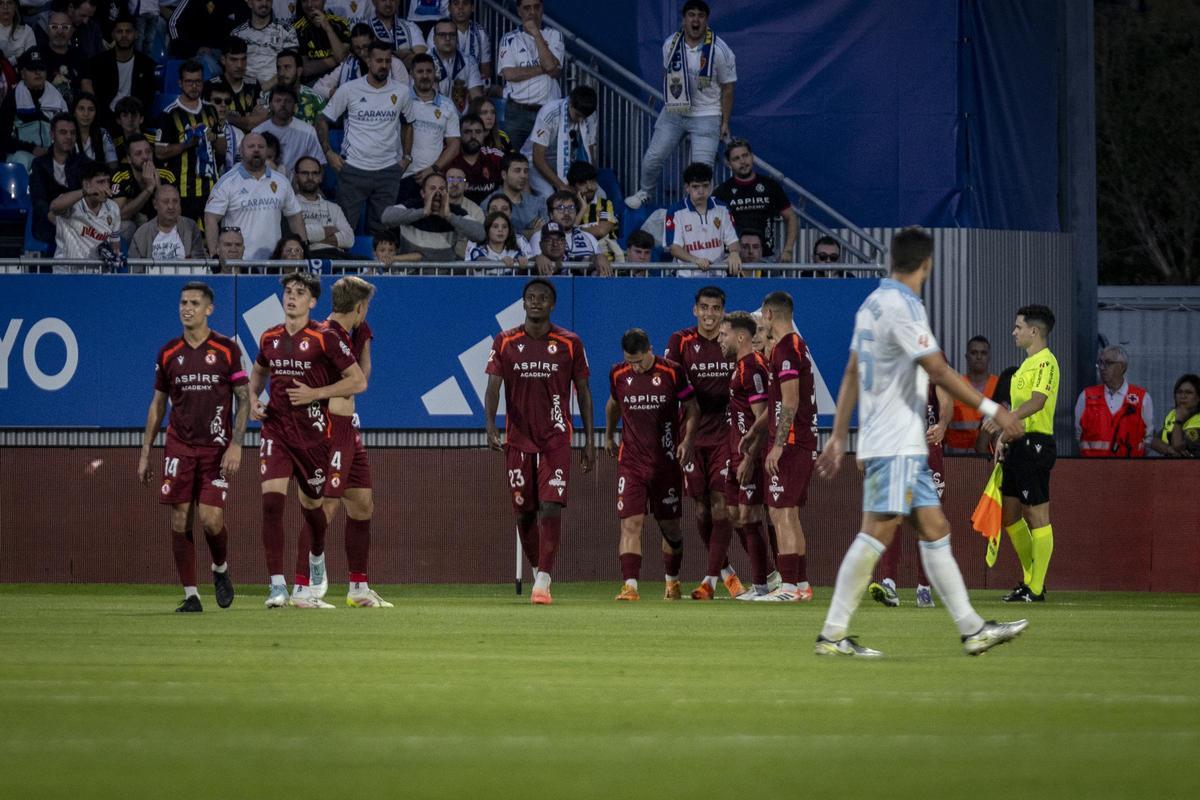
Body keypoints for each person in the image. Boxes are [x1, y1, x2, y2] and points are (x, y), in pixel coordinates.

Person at [815, 228, 1029, 658]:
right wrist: (995, 410)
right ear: (927, 265)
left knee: (935, 529)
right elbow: (939, 371)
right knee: (875, 532)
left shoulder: (872, 303)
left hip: (896, 440)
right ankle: (833, 634)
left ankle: (972, 629)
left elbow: (854, 371)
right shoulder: (904, 306)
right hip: (896, 440)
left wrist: (841, 433)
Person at [248, 270, 367, 608]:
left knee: (314, 507)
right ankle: (276, 586)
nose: (292, 296)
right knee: (272, 502)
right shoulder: (269, 336)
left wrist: (316, 392)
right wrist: (255, 399)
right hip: (276, 429)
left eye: (300, 292)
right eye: (288, 291)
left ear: (312, 302)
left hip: (315, 435)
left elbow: (357, 382)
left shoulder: (325, 336)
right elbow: (258, 372)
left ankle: (317, 554)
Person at [137, 282, 249, 612]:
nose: (187, 308)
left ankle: (220, 569)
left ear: (208, 309)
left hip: (216, 450)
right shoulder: (168, 353)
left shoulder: (227, 350)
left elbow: (243, 400)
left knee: (211, 520)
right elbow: (158, 404)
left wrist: (237, 445)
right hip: (179, 448)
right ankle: (191, 595)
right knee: (179, 518)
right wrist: (145, 452)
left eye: (195, 303)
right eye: (183, 302)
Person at [484, 278, 594, 605]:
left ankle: (544, 579)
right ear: (523, 302)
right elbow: (493, 388)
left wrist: (589, 441)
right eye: (530, 297)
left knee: (550, 505)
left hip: (556, 437)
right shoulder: (505, 341)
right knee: (524, 513)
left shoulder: (569, 342)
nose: (536, 302)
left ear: (552, 304)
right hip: (518, 438)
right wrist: (490, 425)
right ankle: (537, 568)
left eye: (542, 298)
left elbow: (584, 393)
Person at [310, 276, 391, 606]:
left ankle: (358, 587)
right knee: (327, 505)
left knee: (361, 503)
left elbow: (362, 373)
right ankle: (307, 582)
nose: (366, 312)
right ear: (359, 306)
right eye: (366, 306)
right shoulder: (322, 334)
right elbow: (348, 380)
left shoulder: (360, 330)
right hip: (330, 426)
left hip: (350, 425)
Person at [663, 286, 745, 600]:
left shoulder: (734, 340)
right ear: (695, 310)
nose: (709, 315)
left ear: (723, 312)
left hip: (726, 433)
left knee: (721, 502)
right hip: (693, 435)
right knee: (701, 506)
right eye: (704, 308)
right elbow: (669, 386)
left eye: (715, 309)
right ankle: (725, 571)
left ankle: (709, 579)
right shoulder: (680, 341)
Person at [606, 328, 697, 601]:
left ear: (650, 350)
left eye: (639, 361)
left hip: (666, 463)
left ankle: (672, 581)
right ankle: (630, 586)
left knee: (670, 528)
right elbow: (613, 405)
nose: (635, 366)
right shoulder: (619, 374)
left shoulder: (672, 372)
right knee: (630, 523)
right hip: (631, 463)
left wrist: (687, 441)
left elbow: (692, 407)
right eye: (630, 361)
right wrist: (610, 435)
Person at [739, 291, 817, 602]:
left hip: (792, 443)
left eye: (762, 318)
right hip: (802, 441)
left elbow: (791, 400)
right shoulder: (796, 345)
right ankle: (799, 585)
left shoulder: (786, 349)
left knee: (780, 512)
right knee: (789, 514)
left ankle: (787, 587)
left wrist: (778, 445)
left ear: (769, 315)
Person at [625, 0, 735, 210]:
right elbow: (666, 75)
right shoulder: (670, 44)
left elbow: (728, 88)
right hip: (675, 111)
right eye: (691, 15)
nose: (695, 20)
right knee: (653, 157)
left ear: (706, 20)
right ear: (684, 19)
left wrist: (725, 122)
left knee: (702, 170)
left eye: (700, 15)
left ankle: (695, 210)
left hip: (707, 114)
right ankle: (644, 192)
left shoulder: (720, 50)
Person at [990, 304, 1060, 604]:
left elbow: (1038, 402)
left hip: (1036, 443)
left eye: (1018, 327)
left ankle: (1034, 587)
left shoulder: (1046, 363)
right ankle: (1033, 579)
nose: (1014, 332)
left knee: (1037, 515)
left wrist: (1007, 419)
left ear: (1034, 330)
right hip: (1018, 443)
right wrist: (1006, 436)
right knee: (1010, 515)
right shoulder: (1023, 367)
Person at [867, 382, 951, 609]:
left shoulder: (932, 359)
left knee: (927, 519)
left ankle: (924, 589)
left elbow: (946, 401)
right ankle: (889, 585)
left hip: (926, 448)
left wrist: (942, 424)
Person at [319, 38, 413, 236]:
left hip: (388, 171)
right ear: (369, 61)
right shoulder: (349, 89)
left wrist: (407, 157)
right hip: (353, 169)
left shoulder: (402, 91)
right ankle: (342, 267)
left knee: (383, 232)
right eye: (379, 61)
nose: (384, 66)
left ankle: (376, 268)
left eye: (388, 61)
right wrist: (328, 152)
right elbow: (322, 120)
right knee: (344, 230)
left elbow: (408, 124)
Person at [719, 311, 773, 598]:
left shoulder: (752, 368)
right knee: (734, 513)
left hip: (750, 455)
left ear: (741, 337)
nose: (720, 339)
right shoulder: (739, 368)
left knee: (751, 515)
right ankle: (767, 577)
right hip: (735, 452)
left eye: (724, 334)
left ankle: (763, 585)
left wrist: (751, 458)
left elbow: (762, 418)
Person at [204, 131, 305, 260]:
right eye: (251, 146)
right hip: (239, 263)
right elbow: (211, 218)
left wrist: (304, 251)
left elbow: (295, 215)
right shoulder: (227, 182)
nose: (256, 150)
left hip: (274, 263)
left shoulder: (281, 181)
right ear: (241, 151)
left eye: (261, 147)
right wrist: (214, 255)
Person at [152, 60, 224, 225]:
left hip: (212, 189)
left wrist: (212, 138)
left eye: (198, 81)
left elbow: (222, 149)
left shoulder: (211, 110)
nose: (194, 86)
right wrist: (187, 144)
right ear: (180, 83)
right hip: (184, 190)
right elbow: (160, 152)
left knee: (213, 238)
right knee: (186, 239)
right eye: (189, 82)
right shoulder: (169, 114)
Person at [713, 138, 796, 259]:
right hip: (733, 260)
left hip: (766, 258)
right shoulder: (721, 191)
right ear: (729, 163)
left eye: (745, 155)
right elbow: (709, 223)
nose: (742, 161)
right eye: (736, 158)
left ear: (752, 157)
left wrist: (788, 250)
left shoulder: (770, 185)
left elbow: (791, 216)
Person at [496, 0, 562, 152]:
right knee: (510, 157)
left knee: (549, 159)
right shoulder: (509, 38)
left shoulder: (554, 35)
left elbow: (552, 67)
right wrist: (544, 67)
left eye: (536, 7)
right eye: (527, 8)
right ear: (519, 11)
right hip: (518, 111)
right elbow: (510, 74)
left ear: (542, 8)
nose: (532, 12)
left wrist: (536, 34)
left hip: (548, 110)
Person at [380, 170, 484, 262]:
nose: (437, 193)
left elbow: (480, 235)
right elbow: (386, 218)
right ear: (423, 193)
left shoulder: (454, 211)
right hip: (411, 276)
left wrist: (449, 217)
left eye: (442, 189)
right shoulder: (412, 206)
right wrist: (423, 212)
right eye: (432, 188)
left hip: (444, 277)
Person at [1074, 345, 1155, 458]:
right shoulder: (1086, 396)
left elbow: (1148, 439)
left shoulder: (1142, 398)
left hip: (1129, 469)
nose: (1102, 368)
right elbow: (1079, 435)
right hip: (1093, 469)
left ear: (1122, 367)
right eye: (1100, 363)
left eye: (1108, 363)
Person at [399, 52, 459, 197]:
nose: (425, 76)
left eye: (429, 71)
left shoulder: (447, 105)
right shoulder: (401, 100)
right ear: (411, 74)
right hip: (401, 176)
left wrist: (434, 168)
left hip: (432, 179)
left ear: (434, 73)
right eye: (420, 71)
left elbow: (454, 144)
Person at [667, 161, 741, 277]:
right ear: (687, 187)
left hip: (718, 277)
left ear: (711, 185)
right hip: (686, 278)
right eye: (696, 186)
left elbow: (733, 240)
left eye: (705, 186)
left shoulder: (722, 209)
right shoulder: (676, 212)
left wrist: (735, 253)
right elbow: (674, 248)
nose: (701, 191)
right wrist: (696, 260)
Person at [521, 84, 596, 197]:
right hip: (534, 163)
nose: (580, 120)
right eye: (578, 115)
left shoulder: (590, 117)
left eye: (583, 117)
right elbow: (538, 158)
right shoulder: (549, 112)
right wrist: (561, 186)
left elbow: (589, 153)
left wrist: (589, 181)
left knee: (599, 194)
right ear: (570, 103)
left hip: (569, 164)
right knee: (550, 195)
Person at [79, 14, 155, 123]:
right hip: (106, 117)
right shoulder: (98, 62)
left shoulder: (147, 64)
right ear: (113, 35)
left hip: (135, 117)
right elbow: (88, 87)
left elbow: (148, 98)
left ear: (136, 35)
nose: (124, 35)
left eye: (128, 31)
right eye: (119, 32)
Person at [0, 49, 66, 171]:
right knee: (21, 160)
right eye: (32, 69)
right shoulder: (12, 98)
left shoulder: (58, 99)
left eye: (41, 68)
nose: (37, 72)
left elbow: (67, 132)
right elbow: (3, 138)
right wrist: (32, 149)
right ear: (23, 73)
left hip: (52, 153)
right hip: (22, 153)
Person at [28, 111, 85, 248]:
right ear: (52, 135)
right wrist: (50, 215)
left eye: (72, 133)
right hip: (49, 221)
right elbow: (38, 198)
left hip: (78, 221)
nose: (69, 137)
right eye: (63, 132)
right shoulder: (39, 164)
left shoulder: (85, 164)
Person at [48, 158, 120, 266]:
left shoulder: (113, 208)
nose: (106, 187)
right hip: (67, 273)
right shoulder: (72, 203)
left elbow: (115, 244)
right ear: (86, 184)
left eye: (107, 181)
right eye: (100, 182)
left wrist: (115, 254)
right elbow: (54, 207)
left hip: (98, 273)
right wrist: (84, 192)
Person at [311, 22, 409, 101]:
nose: (362, 53)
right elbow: (317, 87)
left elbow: (404, 94)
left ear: (374, 40)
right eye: (357, 48)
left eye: (365, 46)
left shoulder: (394, 63)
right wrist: (335, 93)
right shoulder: (348, 64)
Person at [251, 84, 324, 177]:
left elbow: (319, 165)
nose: (282, 104)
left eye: (288, 101)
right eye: (278, 101)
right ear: (270, 105)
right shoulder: (257, 133)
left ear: (294, 106)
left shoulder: (309, 132)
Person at [129, 183, 207, 265]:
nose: (171, 206)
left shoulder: (190, 227)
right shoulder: (142, 233)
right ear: (155, 204)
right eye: (165, 202)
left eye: (175, 201)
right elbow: (135, 270)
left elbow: (199, 263)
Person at [113, 134, 177, 234]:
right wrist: (149, 189)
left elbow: (172, 214)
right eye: (138, 153)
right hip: (133, 229)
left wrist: (158, 186)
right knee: (126, 226)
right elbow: (119, 215)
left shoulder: (166, 175)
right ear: (129, 159)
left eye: (148, 152)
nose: (145, 157)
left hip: (158, 227)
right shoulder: (121, 177)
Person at [946, 335, 999, 453]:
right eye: (974, 353)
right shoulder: (955, 386)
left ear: (989, 357)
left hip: (987, 460)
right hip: (955, 458)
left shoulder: (999, 385)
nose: (979, 357)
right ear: (966, 356)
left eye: (983, 353)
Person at [293, 155, 352, 257]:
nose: (310, 178)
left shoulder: (334, 208)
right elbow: (296, 236)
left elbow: (349, 239)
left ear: (320, 177)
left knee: (367, 265)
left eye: (315, 173)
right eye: (305, 173)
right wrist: (328, 230)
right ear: (296, 177)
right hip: (307, 258)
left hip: (336, 258)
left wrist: (312, 240)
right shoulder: (290, 206)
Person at [232, 0, 300, 86]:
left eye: (268, 0)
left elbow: (290, 67)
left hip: (279, 89)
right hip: (246, 90)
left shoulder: (287, 30)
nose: (264, 3)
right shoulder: (237, 34)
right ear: (250, 3)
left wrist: (265, 87)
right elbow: (233, 68)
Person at [427, 16, 481, 113]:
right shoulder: (424, 61)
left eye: (452, 34)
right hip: (433, 119)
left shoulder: (469, 62)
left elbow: (477, 97)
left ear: (457, 38)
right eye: (442, 35)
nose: (448, 38)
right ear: (434, 39)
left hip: (461, 122)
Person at [481, 151, 541, 238]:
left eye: (526, 171)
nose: (523, 175)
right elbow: (491, 234)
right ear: (504, 175)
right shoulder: (489, 204)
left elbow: (544, 231)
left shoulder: (537, 202)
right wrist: (529, 232)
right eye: (517, 171)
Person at [430, 0, 490, 86]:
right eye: (456, 3)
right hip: (440, 83)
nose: (460, 7)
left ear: (472, 8)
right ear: (449, 8)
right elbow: (431, 59)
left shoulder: (481, 33)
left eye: (465, 3)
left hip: (472, 84)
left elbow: (485, 68)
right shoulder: (437, 31)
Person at [210, 37, 264, 131]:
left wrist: (228, 117)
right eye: (234, 60)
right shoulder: (210, 87)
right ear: (223, 60)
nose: (240, 65)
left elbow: (256, 121)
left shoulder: (254, 84)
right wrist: (249, 118)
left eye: (243, 59)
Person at [447, 112, 501, 204]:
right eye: (467, 132)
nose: (473, 136)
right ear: (459, 134)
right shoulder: (449, 160)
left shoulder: (494, 159)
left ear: (484, 134)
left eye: (478, 132)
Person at [263, 48, 327, 124]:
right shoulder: (267, 97)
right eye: (279, 68)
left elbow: (322, 130)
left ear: (299, 71)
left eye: (287, 67)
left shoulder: (315, 99)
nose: (282, 73)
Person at [293, 0, 350, 82]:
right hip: (311, 84)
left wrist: (327, 28)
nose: (309, 5)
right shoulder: (295, 28)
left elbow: (341, 56)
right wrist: (336, 60)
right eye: (305, 1)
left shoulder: (340, 23)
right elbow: (305, 69)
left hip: (340, 81)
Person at [38, 10, 86, 106]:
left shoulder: (80, 55)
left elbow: (87, 86)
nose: (60, 31)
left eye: (65, 27)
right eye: (54, 27)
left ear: (72, 30)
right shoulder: (37, 55)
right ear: (47, 30)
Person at [1150, 374, 1200, 457]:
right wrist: (1168, 449)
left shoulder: (1196, 419)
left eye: (1188, 393)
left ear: (1198, 398)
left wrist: (1178, 421)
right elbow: (1152, 440)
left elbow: (1177, 447)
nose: (1183, 396)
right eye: (1179, 392)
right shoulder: (1172, 415)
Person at [367, 0, 426, 70]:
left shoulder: (411, 27)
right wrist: (405, 54)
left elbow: (420, 60)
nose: (388, 4)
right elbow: (364, 57)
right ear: (374, 2)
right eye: (383, 0)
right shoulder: (364, 27)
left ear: (398, 2)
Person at [466, 210, 526, 274]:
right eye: (495, 226)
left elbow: (521, 261)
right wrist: (500, 262)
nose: (500, 230)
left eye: (504, 227)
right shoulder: (478, 251)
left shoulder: (514, 253)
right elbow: (480, 262)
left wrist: (522, 260)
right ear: (487, 230)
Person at [69, 91, 115, 166]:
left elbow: (113, 162)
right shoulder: (66, 133)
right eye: (81, 109)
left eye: (91, 109)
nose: (86, 114)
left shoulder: (103, 133)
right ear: (74, 112)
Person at [110, 96, 147, 163]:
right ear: (118, 120)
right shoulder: (114, 145)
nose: (130, 119)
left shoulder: (154, 141)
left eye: (134, 115)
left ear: (141, 119)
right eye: (125, 115)